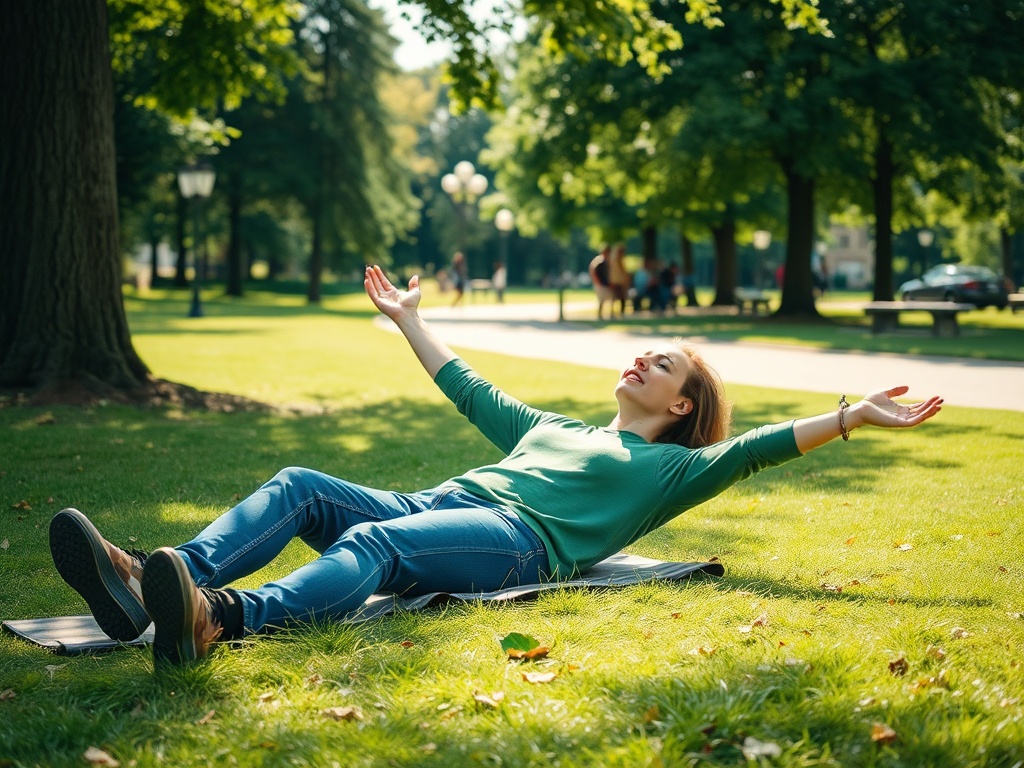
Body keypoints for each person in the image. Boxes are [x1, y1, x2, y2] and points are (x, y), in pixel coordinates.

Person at [48, 265, 943, 665]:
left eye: (661, 364)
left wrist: (850, 415)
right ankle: (146, 585)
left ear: (681, 408)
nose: (641, 358)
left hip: (515, 544)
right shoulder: (553, 425)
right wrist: (406, 319)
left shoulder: (675, 471)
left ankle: (217, 620)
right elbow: (467, 386)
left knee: (376, 544)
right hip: (440, 500)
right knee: (299, 487)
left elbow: (758, 448)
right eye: (646, 353)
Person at [588, 245, 613, 320]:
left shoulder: (606, 261)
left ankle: (610, 314)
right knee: (601, 300)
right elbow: (593, 272)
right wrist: (597, 282)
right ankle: (600, 315)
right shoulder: (599, 261)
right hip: (600, 284)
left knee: (611, 298)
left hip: (605, 283)